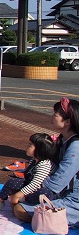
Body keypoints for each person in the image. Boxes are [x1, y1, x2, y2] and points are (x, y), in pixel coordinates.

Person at [14, 97, 79, 228]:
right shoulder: (63, 140)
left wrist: (32, 188)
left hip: (73, 201)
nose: (52, 117)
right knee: (18, 195)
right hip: (60, 193)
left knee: (20, 210)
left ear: (66, 122)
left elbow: (57, 183)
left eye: (55, 114)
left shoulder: (75, 146)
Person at [0, 133, 57, 212]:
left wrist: (18, 195)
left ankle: (22, 201)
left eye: (30, 145)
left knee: (43, 193)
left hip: (40, 189)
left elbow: (35, 184)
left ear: (39, 150)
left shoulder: (44, 165)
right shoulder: (33, 160)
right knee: (12, 182)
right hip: (30, 186)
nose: (27, 147)